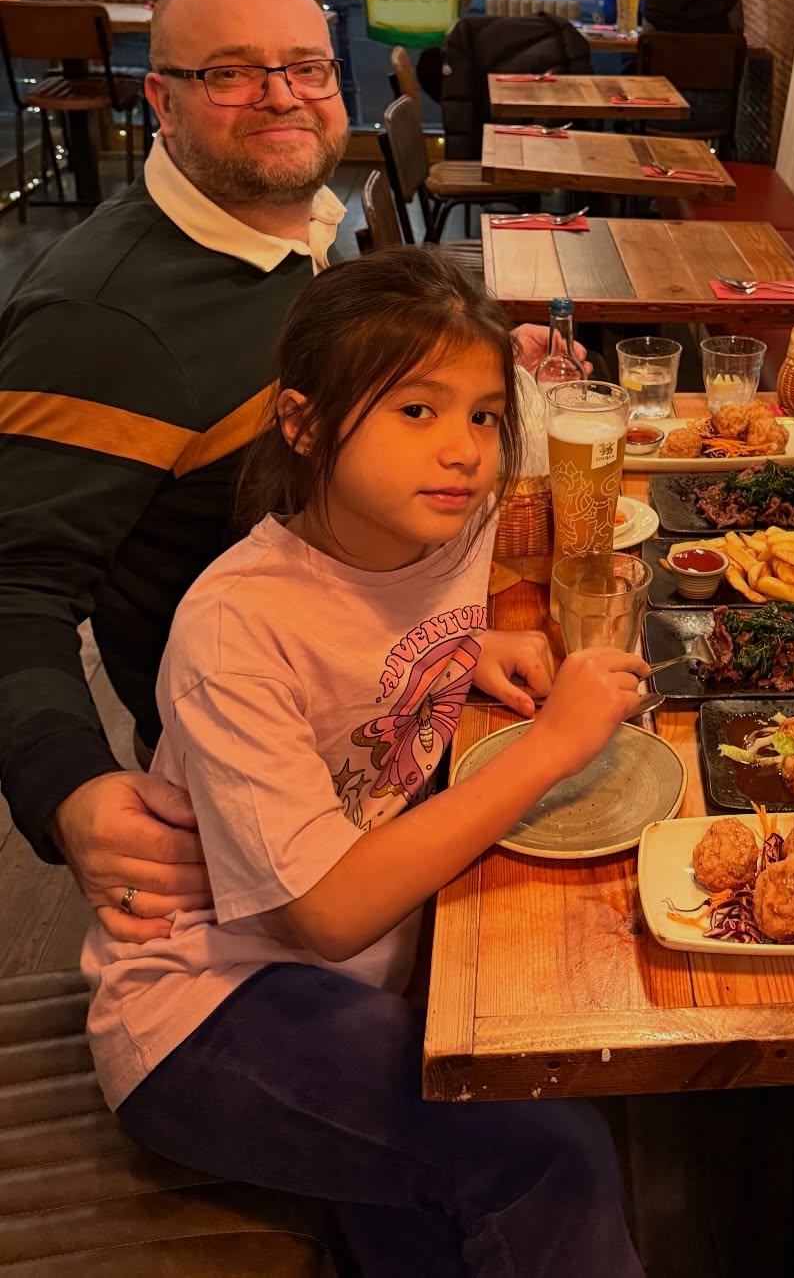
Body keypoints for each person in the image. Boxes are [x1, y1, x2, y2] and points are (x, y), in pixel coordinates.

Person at [82, 246, 648, 1276]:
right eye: (416, 410)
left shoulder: (443, 531)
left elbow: (377, 638)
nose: (463, 451)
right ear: (302, 424)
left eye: (485, 416)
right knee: (549, 1153)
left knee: (443, 1205)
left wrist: (467, 648)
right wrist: (552, 746)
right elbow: (327, 912)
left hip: (371, 965)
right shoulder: (235, 628)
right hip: (209, 1007)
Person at [0, 0, 565, 948]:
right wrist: (71, 790)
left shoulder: (288, 233)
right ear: (162, 101)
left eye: (307, 68)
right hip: (254, 791)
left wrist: (461, 378)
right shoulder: (101, 319)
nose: (281, 96)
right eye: (231, 73)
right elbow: (16, 583)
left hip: (376, 715)